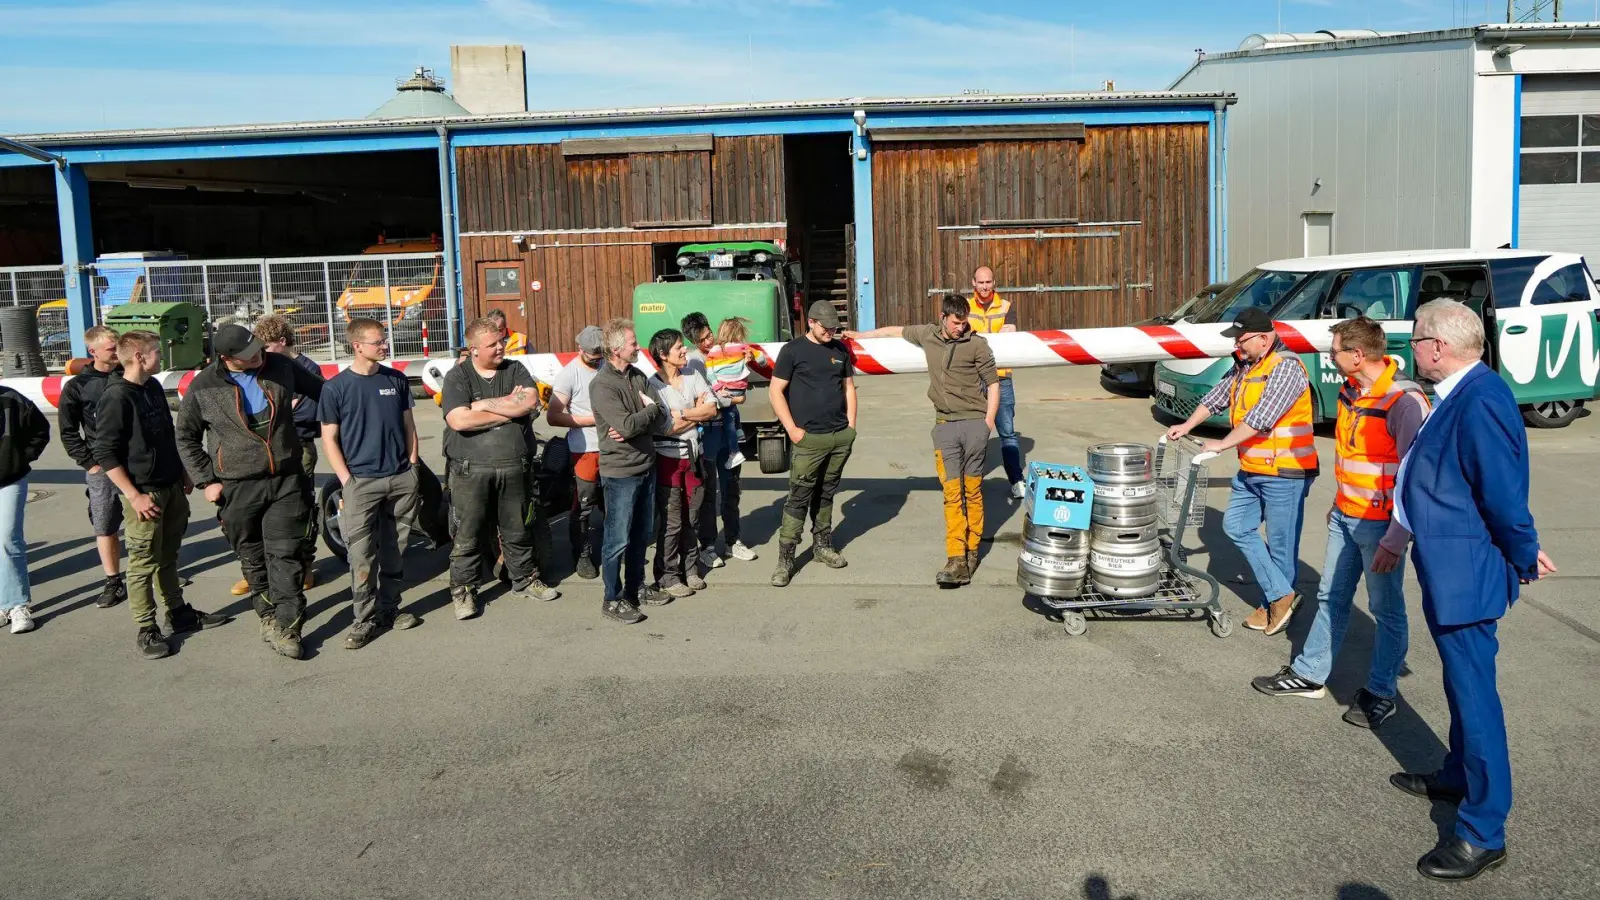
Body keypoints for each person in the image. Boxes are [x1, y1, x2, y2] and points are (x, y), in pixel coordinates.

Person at [1388, 300, 1555, 882]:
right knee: (1460, 685)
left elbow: (1504, 491)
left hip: (1467, 573)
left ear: (1438, 345)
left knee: (1477, 698)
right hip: (1447, 566)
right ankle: (1459, 775)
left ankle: (1484, 830)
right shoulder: (1458, 392)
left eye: (1414, 340)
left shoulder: (1481, 397)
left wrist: (1524, 551)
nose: (1411, 350)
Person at [1251, 317, 1429, 728]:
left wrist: (1398, 535)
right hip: (1346, 515)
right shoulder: (1350, 391)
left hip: (1381, 526)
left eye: (1334, 351)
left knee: (1386, 610)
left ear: (1358, 355)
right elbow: (1355, 458)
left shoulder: (1403, 402)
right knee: (1331, 596)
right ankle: (1310, 674)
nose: (1329, 357)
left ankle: (1382, 692)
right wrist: (1338, 502)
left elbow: (1415, 474)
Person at [1165, 306, 1318, 636]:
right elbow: (1216, 398)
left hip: (1285, 471)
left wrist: (1219, 445)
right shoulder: (1245, 366)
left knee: (1280, 545)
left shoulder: (1286, 368)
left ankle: (1275, 604)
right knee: (1236, 526)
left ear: (1264, 339)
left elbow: (1261, 418)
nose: (1237, 346)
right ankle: (1282, 596)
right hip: (1253, 468)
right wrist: (1187, 424)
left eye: (1242, 339)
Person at [176, 323, 325, 660]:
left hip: (286, 477)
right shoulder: (203, 388)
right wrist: (206, 480)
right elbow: (185, 437)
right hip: (236, 485)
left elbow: (325, 393)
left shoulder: (282, 367)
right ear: (228, 358)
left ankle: (288, 625)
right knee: (253, 556)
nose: (258, 355)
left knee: (286, 552)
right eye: (248, 355)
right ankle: (268, 613)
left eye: (258, 348)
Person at [847, 293, 999, 586]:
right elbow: (895, 331)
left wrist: (987, 425)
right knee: (952, 493)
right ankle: (956, 559)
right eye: (956, 322)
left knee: (973, 492)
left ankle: (971, 552)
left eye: (964, 322)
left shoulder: (977, 344)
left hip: (974, 425)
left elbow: (993, 385)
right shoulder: (928, 335)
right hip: (944, 425)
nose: (960, 328)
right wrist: (863, 334)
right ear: (943, 318)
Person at [97, 331, 228, 659]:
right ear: (139, 356)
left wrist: (184, 471)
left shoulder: (153, 387)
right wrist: (133, 496)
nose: (162, 357)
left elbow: (168, 436)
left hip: (171, 487)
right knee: (142, 563)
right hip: (145, 495)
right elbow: (106, 454)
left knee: (168, 556)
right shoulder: (116, 397)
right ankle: (147, 628)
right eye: (156, 351)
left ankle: (178, 612)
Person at [440, 316, 560, 621]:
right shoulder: (458, 377)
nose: (500, 347)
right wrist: (508, 409)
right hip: (471, 471)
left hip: (514, 468)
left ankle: (525, 579)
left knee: (518, 529)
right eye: (492, 344)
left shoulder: (515, 369)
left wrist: (480, 406)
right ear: (474, 349)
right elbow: (458, 420)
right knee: (467, 534)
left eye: (501, 341)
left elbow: (529, 401)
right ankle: (465, 591)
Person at [320, 317, 423, 650]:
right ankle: (364, 620)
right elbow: (329, 439)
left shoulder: (395, 380)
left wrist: (412, 466)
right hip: (361, 483)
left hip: (400, 479)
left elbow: (409, 426)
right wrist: (347, 481)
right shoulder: (336, 388)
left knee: (396, 551)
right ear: (357, 346)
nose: (384, 346)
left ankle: (390, 610)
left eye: (384, 340)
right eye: (378, 341)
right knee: (362, 556)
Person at [230, 315, 322, 595]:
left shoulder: (305, 368)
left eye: (266, 347)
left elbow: (310, 412)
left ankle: (304, 564)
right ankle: (258, 570)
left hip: (298, 448)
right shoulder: (262, 369)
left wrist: (278, 414)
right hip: (261, 451)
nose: (260, 354)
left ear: (282, 342)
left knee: (300, 509)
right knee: (257, 514)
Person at [768, 300, 857, 587]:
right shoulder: (792, 350)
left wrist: (851, 428)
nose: (831, 331)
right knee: (798, 497)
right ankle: (786, 559)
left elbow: (849, 388)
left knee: (827, 492)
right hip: (808, 439)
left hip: (838, 437)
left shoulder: (840, 351)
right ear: (811, 322)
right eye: (826, 326)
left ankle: (822, 546)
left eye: (834, 326)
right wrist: (792, 429)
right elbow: (775, 391)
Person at [589, 318, 672, 623]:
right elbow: (627, 424)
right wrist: (645, 413)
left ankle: (636, 588)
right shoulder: (602, 385)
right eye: (634, 343)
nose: (639, 347)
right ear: (616, 348)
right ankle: (612, 599)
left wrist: (640, 420)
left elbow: (662, 415)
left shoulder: (637, 375)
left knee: (640, 535)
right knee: (617, 539)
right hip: (620, 473)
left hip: (646, 466)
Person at [57, 325, 127, 609]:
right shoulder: (78, 386)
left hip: (138, 462)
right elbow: (68, 430)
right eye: (111, 348)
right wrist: (91, 464)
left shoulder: (131, 376)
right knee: (105, 523)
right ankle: (113, 581)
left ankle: (159, 570)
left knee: (150, 518)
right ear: (93, 351)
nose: (117, 353)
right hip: (102, 467)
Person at [645, 328, 718, 599]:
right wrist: (696, 413)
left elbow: (712, 409)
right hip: (668, 461)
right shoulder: (653, 386)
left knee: (692, 517)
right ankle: (667, 575)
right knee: (672, 521)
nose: (685, 351)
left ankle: (691, 569)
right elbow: (664, 427)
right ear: (663, 355)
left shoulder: (692, 374)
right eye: (679, 348)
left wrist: (684, 413)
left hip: (694, 458)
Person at [682, 312, 758, 569]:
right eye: (702, 339)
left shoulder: (725, 351)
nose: (708, 340)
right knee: (707, 492)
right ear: (693, 341)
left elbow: (742, 382)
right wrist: (733, 400)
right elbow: (703, 401)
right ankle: (709, 545)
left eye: (709, 334)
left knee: (732, 488)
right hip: (706, 431)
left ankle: (733, 539)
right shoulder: (692, 363)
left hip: (729, 429)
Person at [547, 326, 606, 580]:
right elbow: (553, 416)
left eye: (600, 353)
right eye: (592, 354)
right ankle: (581, 553)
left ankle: (615, 547)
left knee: (613, 503)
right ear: (580, 348)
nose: (597, 357)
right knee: (583, 505)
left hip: (613, 448)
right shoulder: (568, 374)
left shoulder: (608, 366)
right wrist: (593, 420)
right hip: (584, 450)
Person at [965, 266, 1025, 500]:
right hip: (973, 378)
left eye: (988, 282)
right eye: (981, 282)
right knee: (973, 432)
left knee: (1007, 432)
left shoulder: (1007, 307)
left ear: (994, 283)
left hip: (1001, 378)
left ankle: (1016, 479)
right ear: (973, 283)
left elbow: (1010, 331)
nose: (985, 287)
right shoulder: (965, 308)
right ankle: (971, 482)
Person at [0, 382, 49, 634]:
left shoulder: (11, 398)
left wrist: (19, 459)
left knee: (9, 537)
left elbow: (41, 430)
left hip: (10, 478)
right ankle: (2, 603)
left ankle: (17, 605)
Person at [702, 317, 768, 470]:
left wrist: (718, 388)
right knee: (733, 411)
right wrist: (762, 363)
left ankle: (734, 452)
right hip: (740, 387)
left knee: (727, 421)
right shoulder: (743, 347)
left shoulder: (713, 351)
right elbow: (761, 358)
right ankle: (739, 432)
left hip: (725, 389)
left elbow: (710, 373)